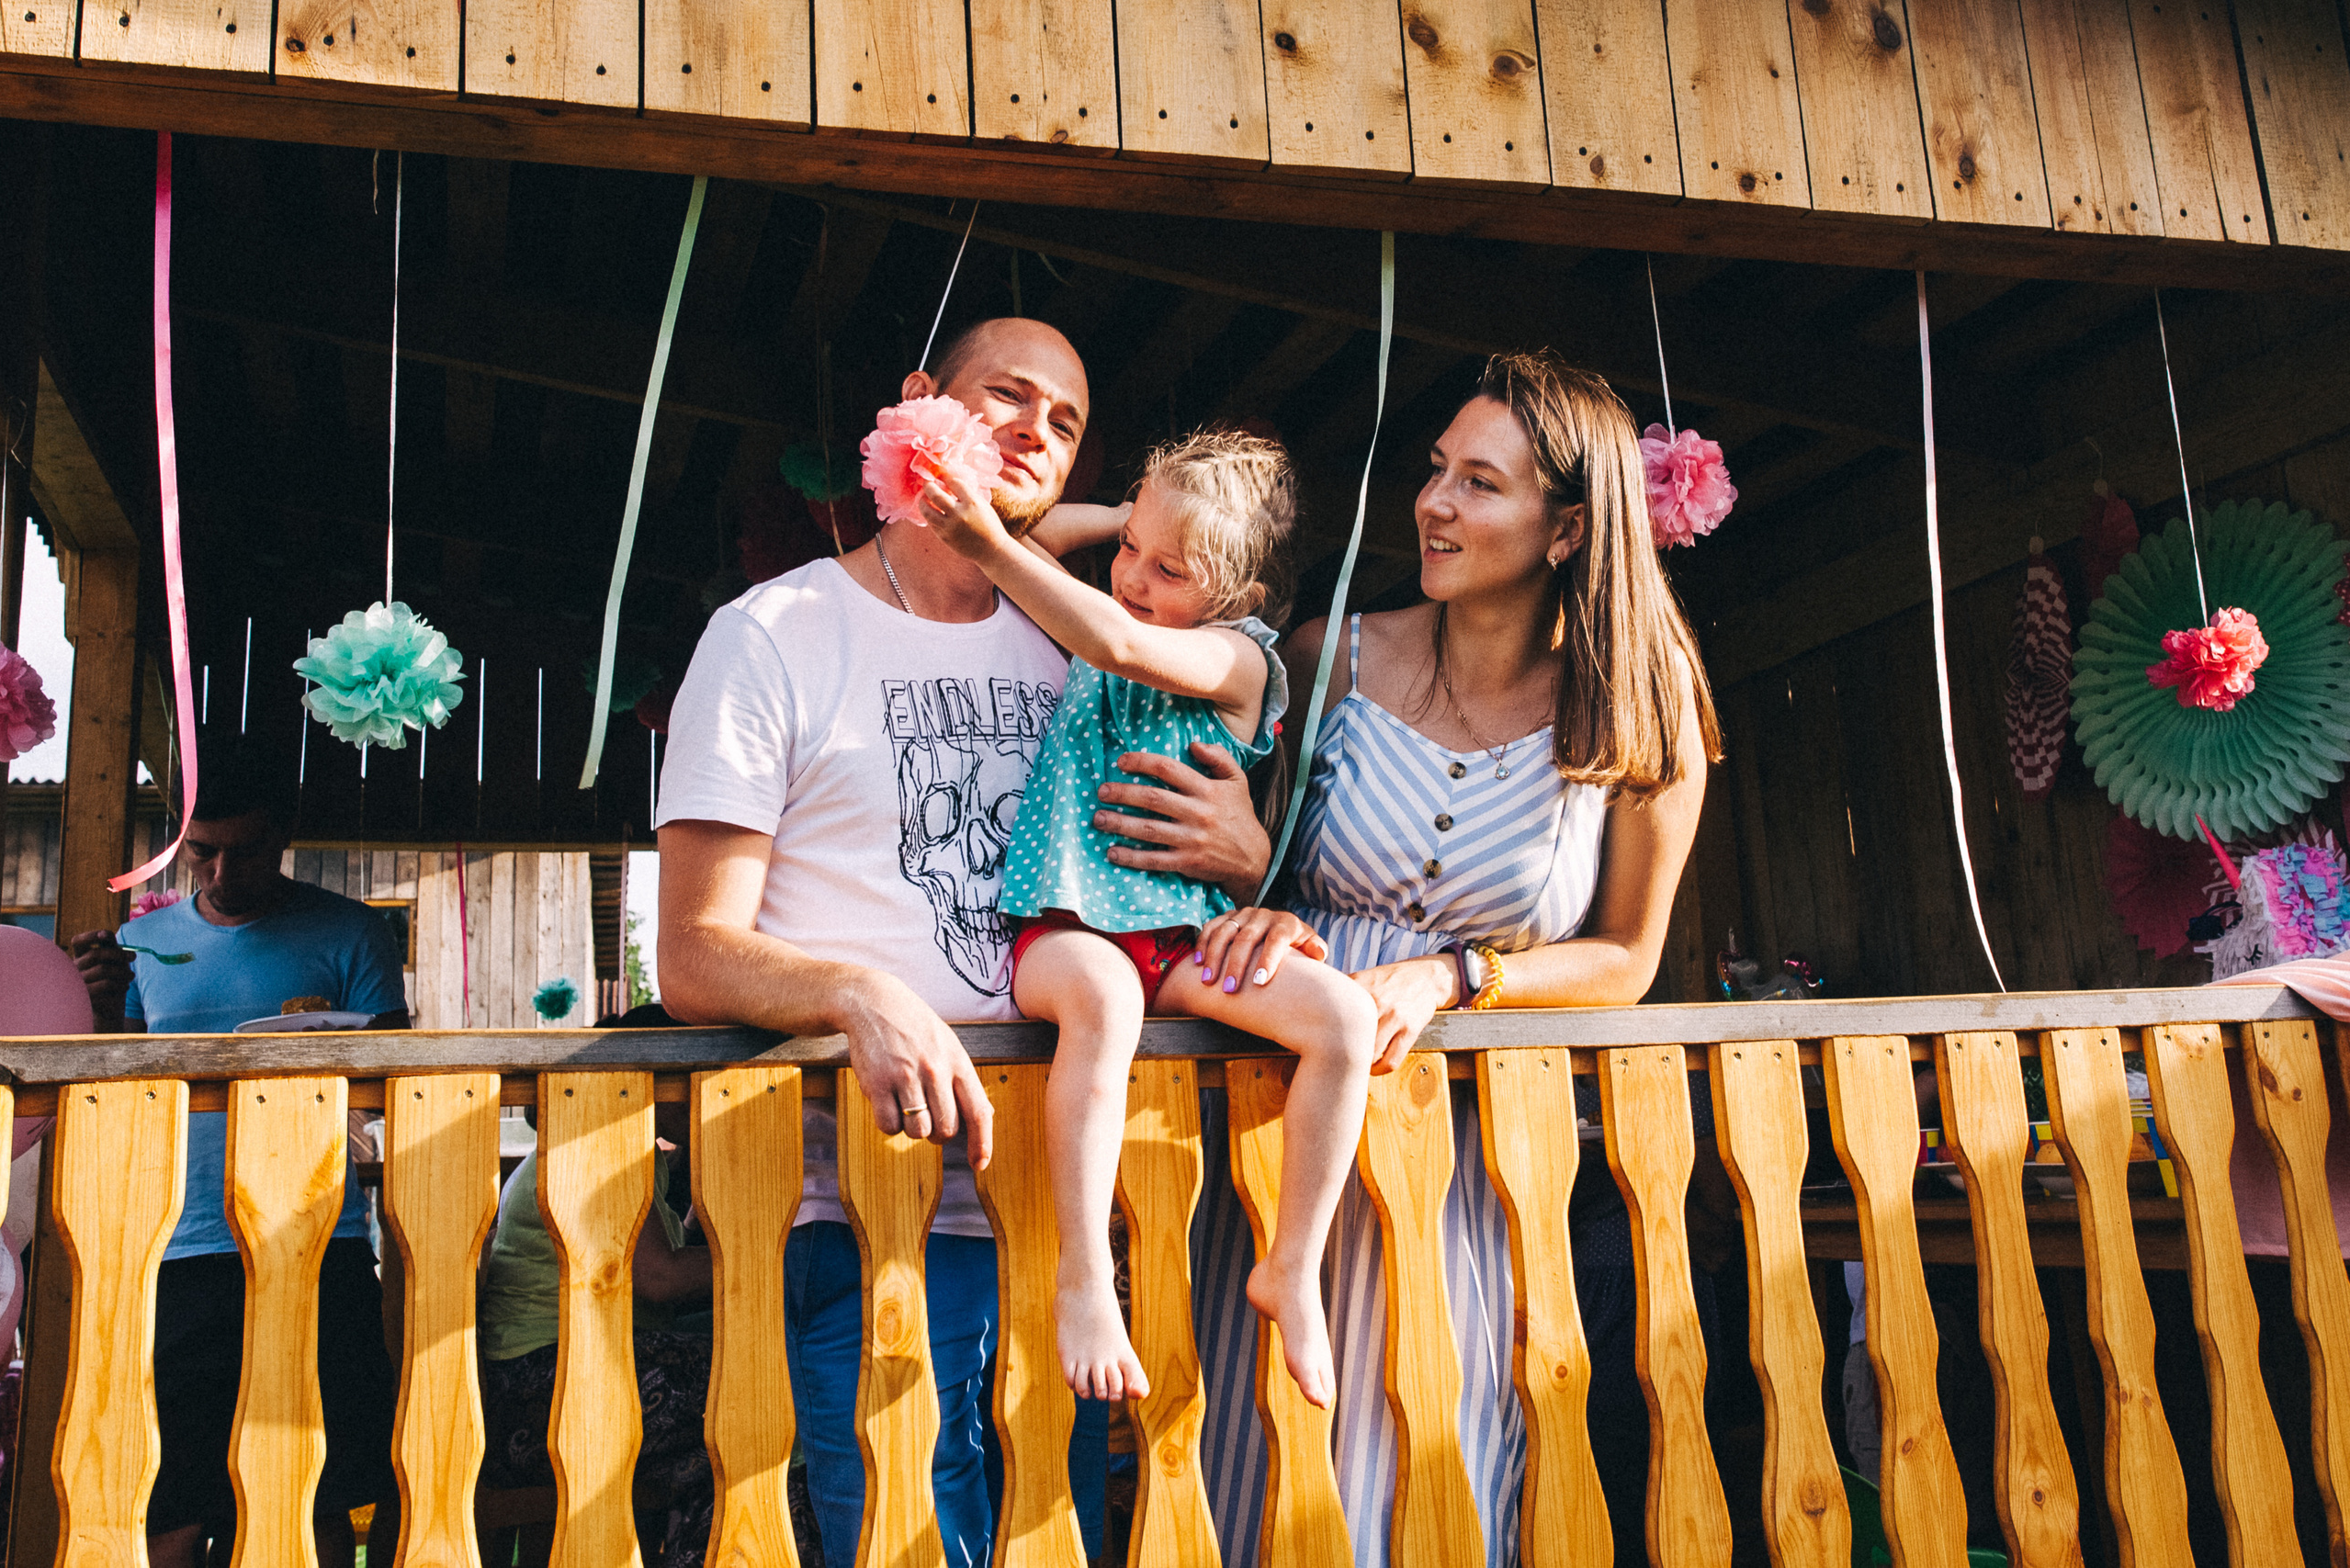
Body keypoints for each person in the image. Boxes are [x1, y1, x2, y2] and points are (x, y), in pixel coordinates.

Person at [653, 317, 1271, 1567]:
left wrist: (1251, 861)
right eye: (1009, 396)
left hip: (1065, 1207)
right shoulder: (774, 632)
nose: (1037, 431)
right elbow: (691, 956)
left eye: (1067, 422)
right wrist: (859, 993)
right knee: (902, 1531)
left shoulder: (1087, 640)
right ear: (921, 399)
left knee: (1063, 1533)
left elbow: (1178, 869)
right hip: (858, 1199)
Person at [1187, 350, 1722, 1566]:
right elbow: (1231, 873)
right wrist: (1252, 893)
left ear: (1568, 527)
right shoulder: (1326, 655)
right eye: (1437, 470)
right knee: (1251, 1460)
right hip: (1281, 1127)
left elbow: (1626, 956)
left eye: (1480, 482)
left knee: (1440, 1455)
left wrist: (1458, 975)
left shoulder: (1640, 707)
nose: (1433, 502)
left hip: (1473, 1155)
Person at [921, 428, 1377, 1408]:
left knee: (1342, 1018)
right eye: (1128, 549)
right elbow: (1042, 542)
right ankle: (1087, 1273)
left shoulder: (1234, 659)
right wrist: (1138, 520)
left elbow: (1112, 637)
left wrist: (988, 541)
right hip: (1066, 926)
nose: (1130, 576)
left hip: (1179, 938)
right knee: (1104, 999)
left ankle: (1292, 1264)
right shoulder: (1108, 610)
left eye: (1169, 569)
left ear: (1240, 596)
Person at [69, 746, 404, 1568]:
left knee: (317, 1491)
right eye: (202, 852)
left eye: (245, 851)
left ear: (284, 836)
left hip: (316, 1238)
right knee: (175, 1500)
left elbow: (391, 1089)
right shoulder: (141, 944)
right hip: (182, 1245)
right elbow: (120, 1097)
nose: (221, 872)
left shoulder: (354, 932)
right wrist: (99, 1009)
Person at [477, 1101, 715, 1566]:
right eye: (689, 1078)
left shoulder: (608, 1147)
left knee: (730, 1414)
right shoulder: (604, 1144)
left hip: (539, 1383)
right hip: (545, 1394)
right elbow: (661, 1278)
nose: (700, 1094)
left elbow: (662, 1264)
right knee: (752, 1395)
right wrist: (768, 1253)